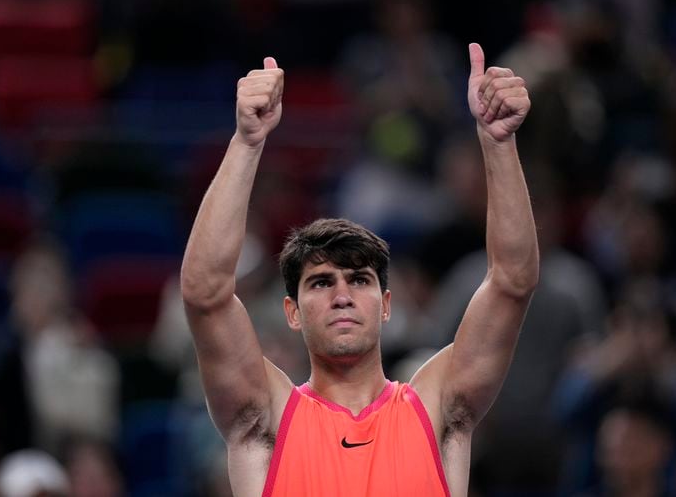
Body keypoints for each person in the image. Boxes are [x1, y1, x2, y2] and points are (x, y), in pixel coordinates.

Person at [180, 43, 538, 496]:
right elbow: (203, 293)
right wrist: (247, 142)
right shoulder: (266, 420)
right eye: (322, 282)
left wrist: (498, 143)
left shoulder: (436, 409)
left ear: (387, 305)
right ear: (291, 311)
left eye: (360, 280)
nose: (342, 294)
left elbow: (513, 281)